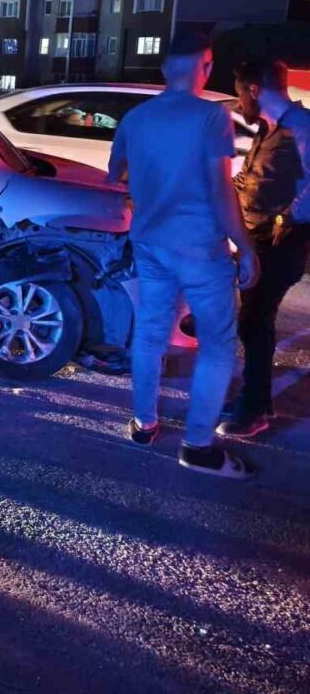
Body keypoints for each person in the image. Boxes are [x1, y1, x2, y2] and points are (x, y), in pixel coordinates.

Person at [107, 33, 259, 478]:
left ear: (163, 69)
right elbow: (219, 188)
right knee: (217, 344)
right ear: (204, 68)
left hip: (151, 242)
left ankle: (144, 422)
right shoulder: (212, 117)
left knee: (151, 333)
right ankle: (197, 445)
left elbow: (116, 175)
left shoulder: (136, 118)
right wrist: (245, 246)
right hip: (199, 249)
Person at [219, 57, 310, 437]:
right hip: (257, 240)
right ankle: (257, 400)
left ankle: (254, 409)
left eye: (241, 94)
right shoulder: (268, 130)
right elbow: (249, 181)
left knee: (255, 321)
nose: (239, 104)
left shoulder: (301, 128)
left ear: (254, 90)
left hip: (281, 244)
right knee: (256, 321)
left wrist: (283, 219)